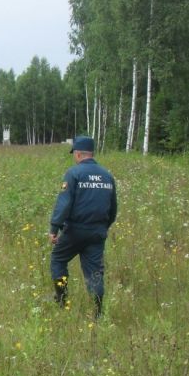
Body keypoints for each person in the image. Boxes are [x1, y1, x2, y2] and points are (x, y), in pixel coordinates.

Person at [49, 136, 116, 318]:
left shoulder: (74, 174)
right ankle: (98, 313)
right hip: (97, 232)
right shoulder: (107, 176)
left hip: (75, 231)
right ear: (91, 153)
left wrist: (54, 229)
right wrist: (101, 228)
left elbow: (64, 204)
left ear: (78, 154)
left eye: (74, 154)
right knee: (94, 272)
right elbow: (113, 209)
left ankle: (62, 300)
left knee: (58, 259)